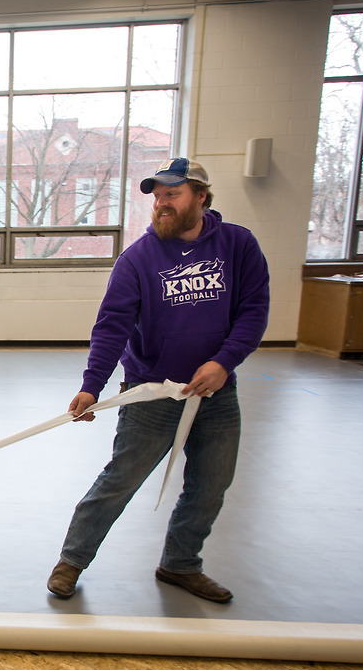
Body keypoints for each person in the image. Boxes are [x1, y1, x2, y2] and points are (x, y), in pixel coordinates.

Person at [47, 158, 270, 603]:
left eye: (173, 194)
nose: (161, 204)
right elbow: (112, 326)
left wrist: (224, 363)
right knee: (119, 481)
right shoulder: (138, 258)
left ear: (201, 197)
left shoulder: (238, 245)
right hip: (151, 393)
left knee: (210, 485)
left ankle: (180, 565)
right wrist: (93, 385)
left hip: (216, 394)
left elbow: (253, 311)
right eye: (157, 196)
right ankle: (71, 562)